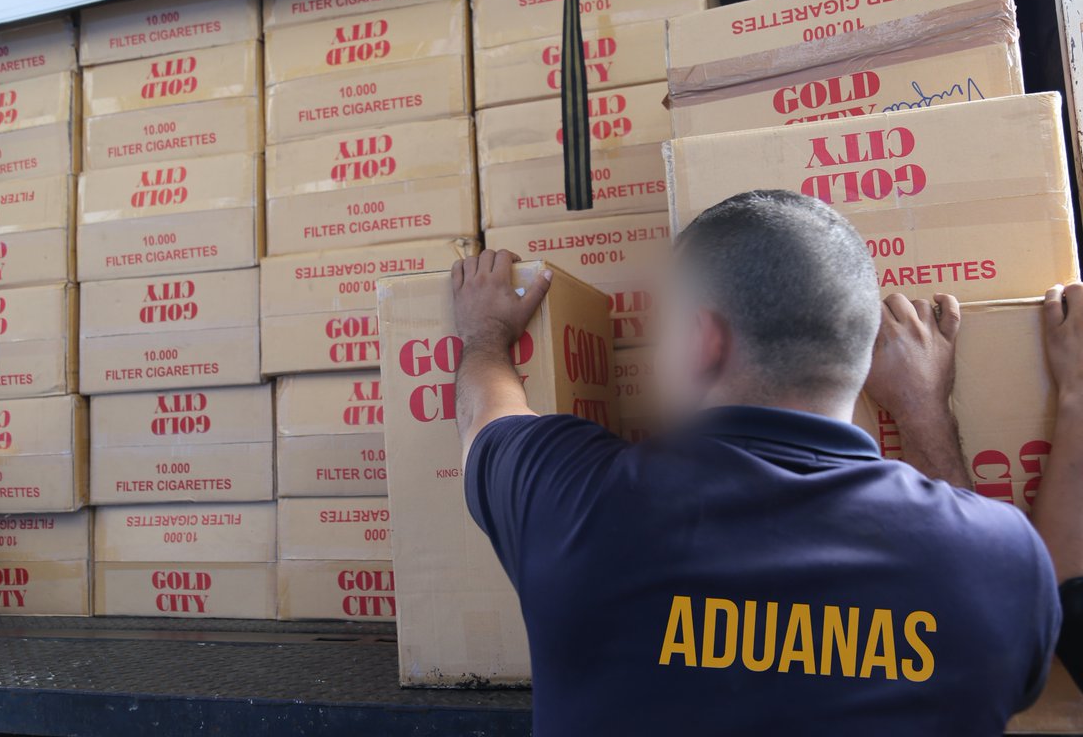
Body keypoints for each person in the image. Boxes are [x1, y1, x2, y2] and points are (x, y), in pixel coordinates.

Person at [451, 190, 1060, 736]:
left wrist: (485, 335)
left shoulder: (572, 499)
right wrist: (926, 414)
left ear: (702, 341)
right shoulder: (1005, 559)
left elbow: (485, 414)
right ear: (860, 343)